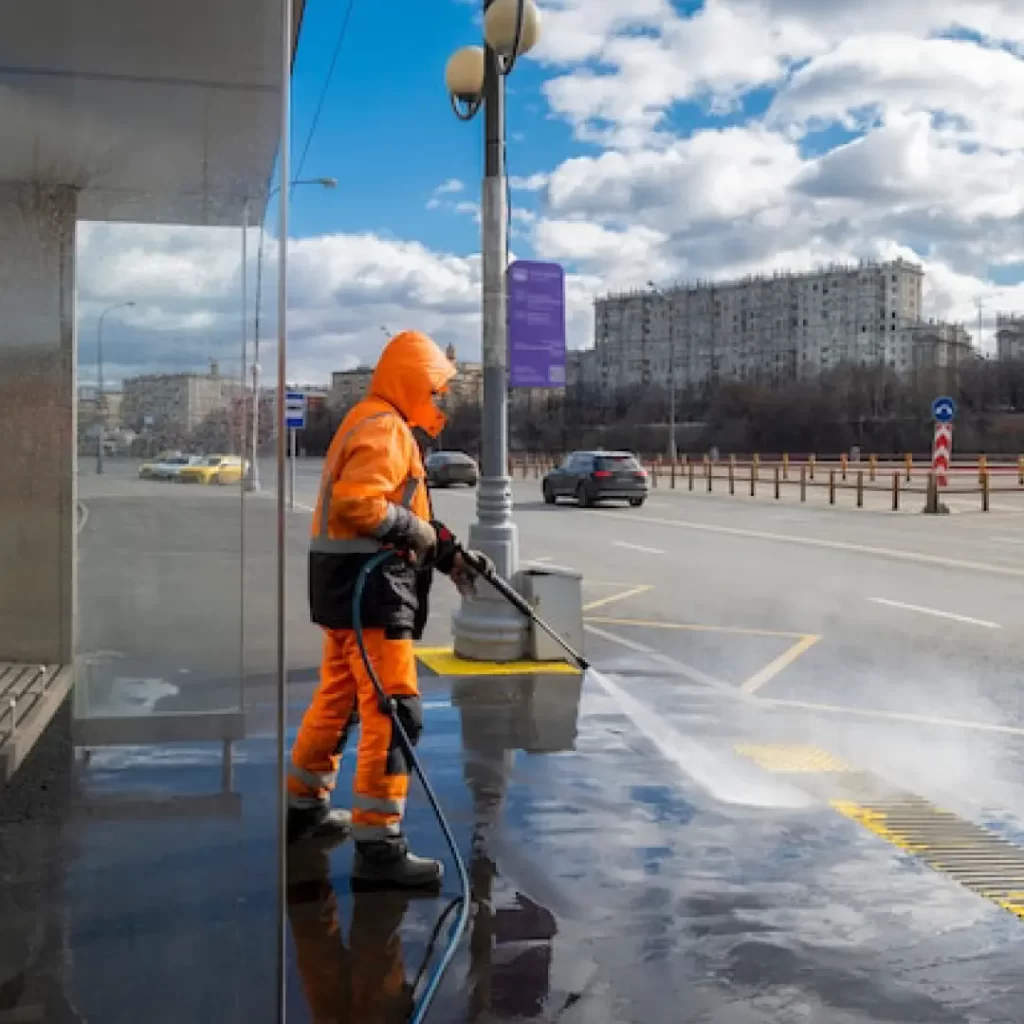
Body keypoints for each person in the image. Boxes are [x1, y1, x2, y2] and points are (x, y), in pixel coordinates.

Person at [288, 329, 489, 890]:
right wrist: (420, 531)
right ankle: (379, 846)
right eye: (435, 386)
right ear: (411, 380)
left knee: (340, 698)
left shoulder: (370, 418)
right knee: (394, 710)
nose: (440, 398)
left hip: (343, 586)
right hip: (370, 592)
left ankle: (302, 808)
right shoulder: (385, 427)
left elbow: (402, 508)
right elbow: (361, 506)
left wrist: (445, 549)